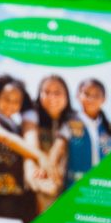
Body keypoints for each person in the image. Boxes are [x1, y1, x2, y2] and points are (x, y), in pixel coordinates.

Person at [0, 76, 46, 223]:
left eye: (16, 101)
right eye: (6, 98)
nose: (10, 104)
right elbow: (6, 138)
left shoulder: (17, 126)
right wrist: (39, 156)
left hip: (17, 198)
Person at [31, 75, 83, 212]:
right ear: (39, 94)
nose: (52, 97)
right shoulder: (32, 119)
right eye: (46, 92)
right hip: (36, 188)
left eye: (57, 92)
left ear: (67, 96)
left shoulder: (76, 120)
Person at [78, 78, 111, 162]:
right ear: (78, 96)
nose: (91, 99)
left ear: (104, 99)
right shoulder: (68, 124)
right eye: (87, 94)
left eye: (96, 95)